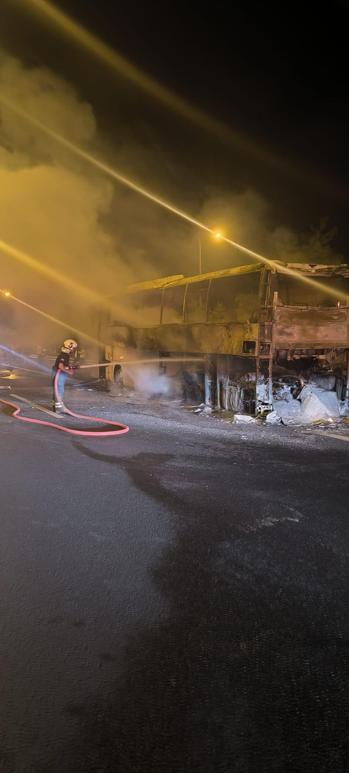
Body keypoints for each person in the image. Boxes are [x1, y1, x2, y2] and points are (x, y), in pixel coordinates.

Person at [52, 339, 78, 413]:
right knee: (59, 391)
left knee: (58, 390)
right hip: (59, 376)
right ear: (70, 346)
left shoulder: (64, 354)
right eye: (73, 348)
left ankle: (58, 407)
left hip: (59, 375)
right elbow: (60, 366)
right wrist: (68, 372)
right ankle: (59, 408)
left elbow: (64, 365)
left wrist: (70, 368)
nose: (74, 350)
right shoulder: (65, 355)